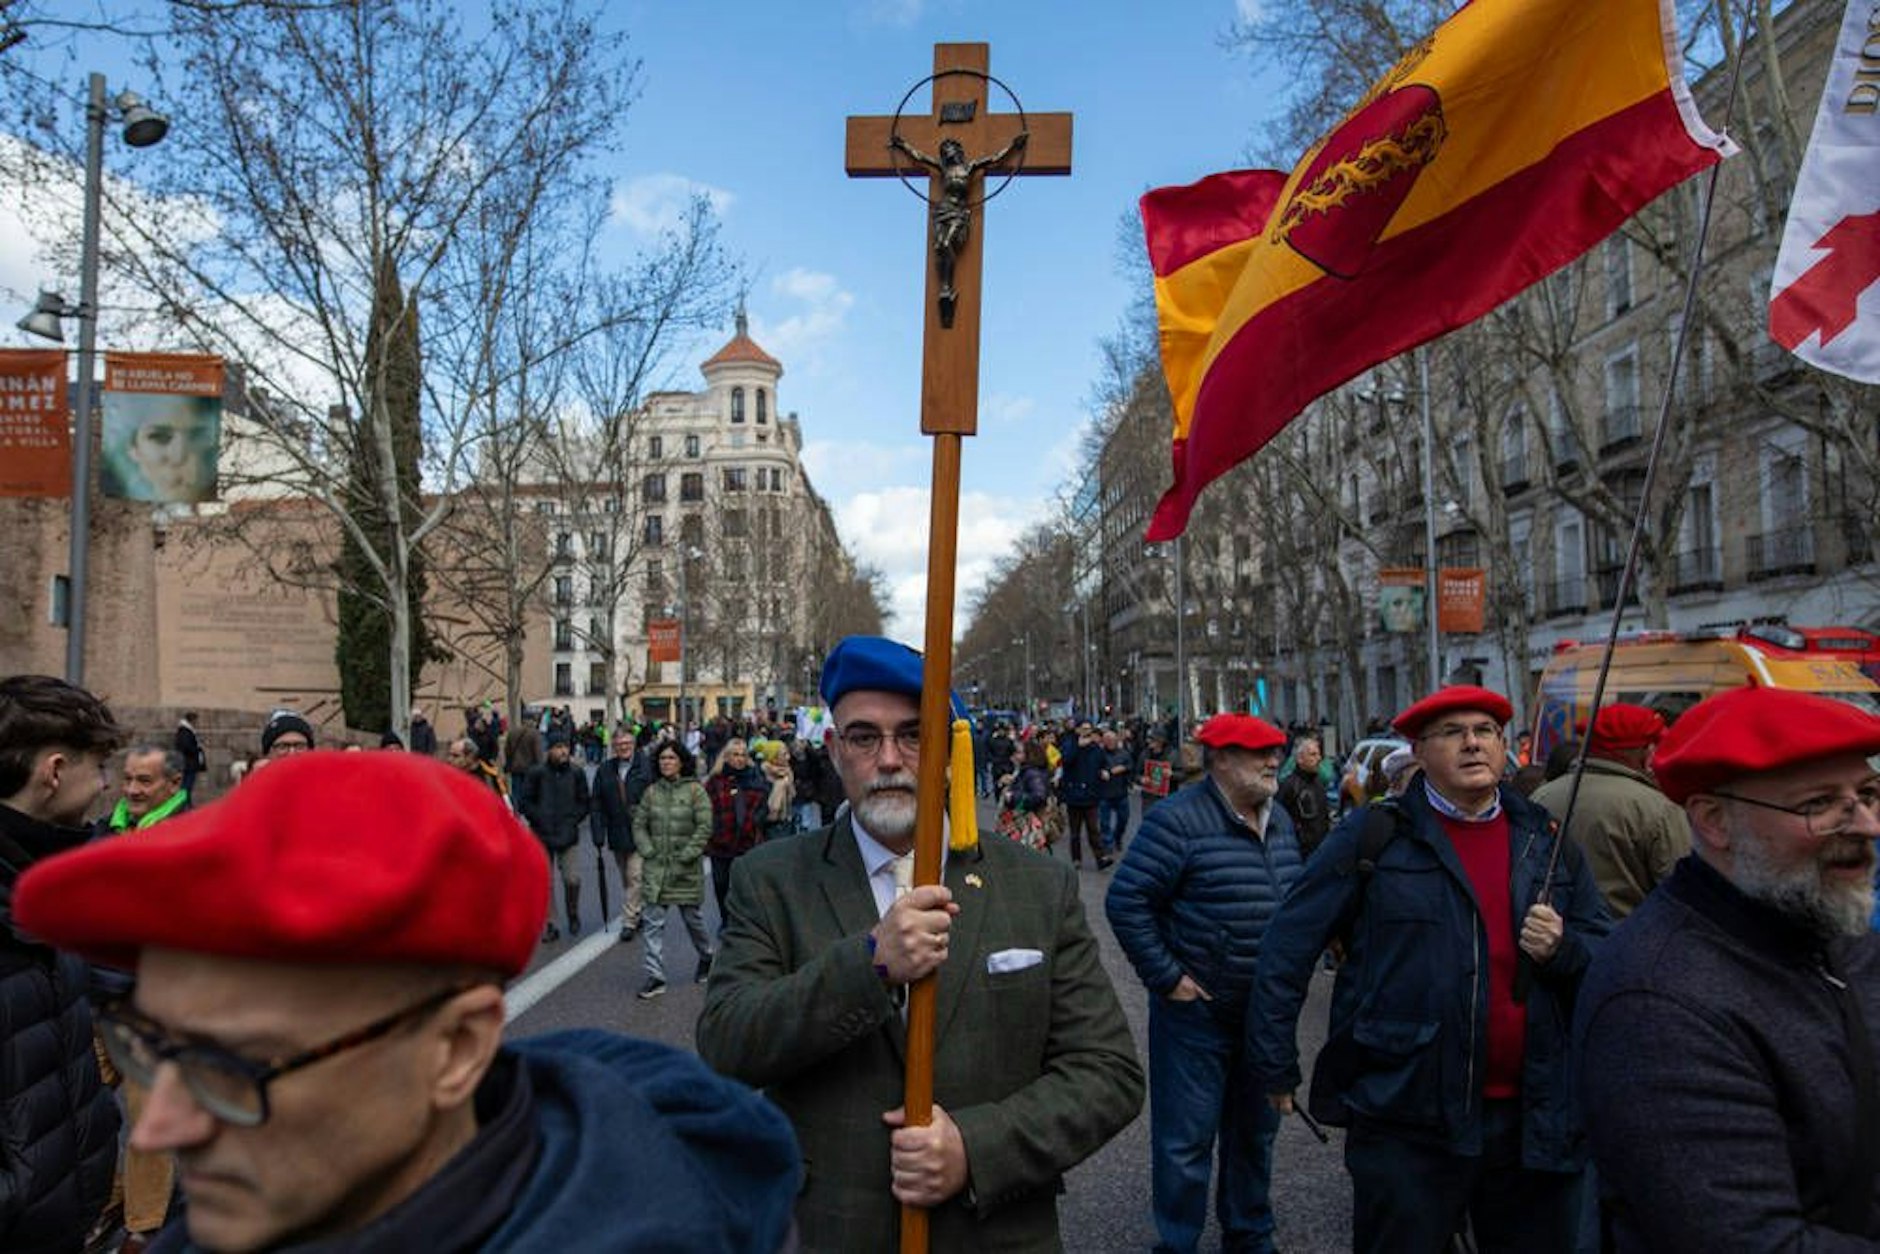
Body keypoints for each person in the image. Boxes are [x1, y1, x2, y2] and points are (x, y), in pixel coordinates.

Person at [14, 750, 801, 1253]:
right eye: (150, 1046)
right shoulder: (237, 1218)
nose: (157, 1127)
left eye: (235, 1064)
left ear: (456, 1050)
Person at [697, 635, 1143, 1252]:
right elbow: (727, 1044)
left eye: (913, 735)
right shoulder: (770, 880)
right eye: (864, 737)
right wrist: (870, 963)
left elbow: (1108, 1073)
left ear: (948, 752)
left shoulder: (1037, 884)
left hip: (997, 1233)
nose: (888, 759)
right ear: (833, 750)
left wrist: (974, 1148)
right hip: (830, 1232)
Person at [1248, 685, 1610, 1254]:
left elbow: (1603, 952)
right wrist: (1274, 1062)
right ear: (1418, 751)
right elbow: (1288, 945)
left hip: (1533, 1120)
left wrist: (1564, 948)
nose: (1473, 744)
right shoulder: (1375, 835)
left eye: (1485, 731)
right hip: (1407, 1116)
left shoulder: (1544, 839)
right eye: (1453, 733)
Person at [1575, 687, 1880, 1248]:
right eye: (1819, 804)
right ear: (1714, 821)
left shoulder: (1834, 928)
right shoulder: (1656, 1003)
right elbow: (1748, 1241)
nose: (1866, 825)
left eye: (1868, 794)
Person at [1105, 713, 1303, 1254]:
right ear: (1219, 759)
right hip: (1196, 1016)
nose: (1272, 761)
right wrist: (1169, 980)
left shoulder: (1279, 817)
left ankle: (1250, 1236)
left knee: (1256, 1136)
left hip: (1263, 1016)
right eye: (1257, 752)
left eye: (1277, 751)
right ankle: (1177, 1243)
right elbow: (1126, 901)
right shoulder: (1177, 820)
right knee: (1185, 1143)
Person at [0, 675, 125, 1254]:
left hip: (63, 1218)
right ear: (53, 771)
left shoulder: (48, 886)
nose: (106, 787)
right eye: (98, 769)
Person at [1530, 703, 1688, 920]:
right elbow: (1684, 893)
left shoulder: (1540, 797)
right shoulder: (1657, 808)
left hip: (1556, 942)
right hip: (1632, 944)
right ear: (1647, 752)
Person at [633, 742, 714, 1000]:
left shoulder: (695, 791)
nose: (666, 762)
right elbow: (639, 825)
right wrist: (647, 850)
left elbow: (704, 827)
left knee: (694, 921)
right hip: (656, 870)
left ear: (681, 761)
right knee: (652, 924)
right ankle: (655, 976)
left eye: (671, 758)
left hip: (685, 870)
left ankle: (707, 956)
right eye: (662, 758)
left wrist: (688, 855)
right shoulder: (651, 792)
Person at [515, 732, 590, 942]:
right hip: (541, 834)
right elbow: (525, 801)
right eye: (558, 747)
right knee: (545, 883)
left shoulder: (576, 773)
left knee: (572, 878)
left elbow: (584, 801)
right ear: (549, 750)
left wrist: (573, 818)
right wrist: (539, 818)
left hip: (568, 834)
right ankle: (551, 924)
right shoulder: (536, 773)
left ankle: (573, 913)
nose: (563, 751)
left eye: (565, 746)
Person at [704, 739, 769, 927]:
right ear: (726, 757)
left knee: (744, 885)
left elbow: (763, 806)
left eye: (743, 755)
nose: (739, 759)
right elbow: (706, 807)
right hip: (720, 842)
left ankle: (741, 921)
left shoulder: (755, 778)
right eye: (735, 754)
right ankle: (725, 919)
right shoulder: (715, 781)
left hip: (747, 842)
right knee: (721, 883)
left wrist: (755, 821)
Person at [592, 730, 646, 943]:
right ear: (613, 747)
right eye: (619, 744)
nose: (623, 747)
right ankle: (637, 909)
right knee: (627, 878)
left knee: (635, 876)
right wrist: (598, 832)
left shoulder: (646, 766)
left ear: (633, 744)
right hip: (617, 831)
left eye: (627, 743)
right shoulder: (605, 770)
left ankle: (629, 921)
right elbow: (596, 802)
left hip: (640, 832)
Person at [103, 745, 192, 834]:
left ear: (174, 784)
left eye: (145, 781)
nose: (132, 790)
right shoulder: (103, 828)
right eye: (128, 779)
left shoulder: (190, 834)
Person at [1275, 734, 1334, 863]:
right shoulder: (1289, 785)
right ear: (1300, 759)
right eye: (1313, 755)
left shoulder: (1318, 783)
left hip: (1320, 852)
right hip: (1298, 855)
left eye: (1319, 755)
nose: (1318, 759)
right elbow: (1278, 820)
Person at [1057, 721, 1107, 868]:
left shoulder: (1096, 748)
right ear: (1078, 730)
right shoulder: (1070, 744)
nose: (1086, 732)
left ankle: (1101, 857)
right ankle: (1076, 859)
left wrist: (1104, 771)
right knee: (1075, 831)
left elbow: (1102, 763)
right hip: (1074, 795)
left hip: (1091, 795)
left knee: (1093, 829)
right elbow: (1065, 761)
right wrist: (1078, 747)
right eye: (1083, 729)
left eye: (1089, 729)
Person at [1097, 727, 1135, 856]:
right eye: (1107, 740)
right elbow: (1092, 769)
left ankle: (1117, 837)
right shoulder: (1099, 754)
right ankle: (1108, 844)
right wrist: (1101, 772)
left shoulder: (1124, 753)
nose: (1110, 742)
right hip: (1104, 793)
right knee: (1104, 823)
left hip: (1121, 792)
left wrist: (1123, 768)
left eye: (1112, 739)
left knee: (1123, 819)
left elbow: (1131, 766)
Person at [173, 712, 205, 798]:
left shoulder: (187, 731)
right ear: (192, 720)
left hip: (189, 762)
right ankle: (185, 804)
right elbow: (186, 746)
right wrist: (197, 749)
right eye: (196, 721)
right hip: (188, 763)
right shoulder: (185, 731)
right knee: (186, 786)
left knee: (187, 786)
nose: (197, 723)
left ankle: (186, 803)